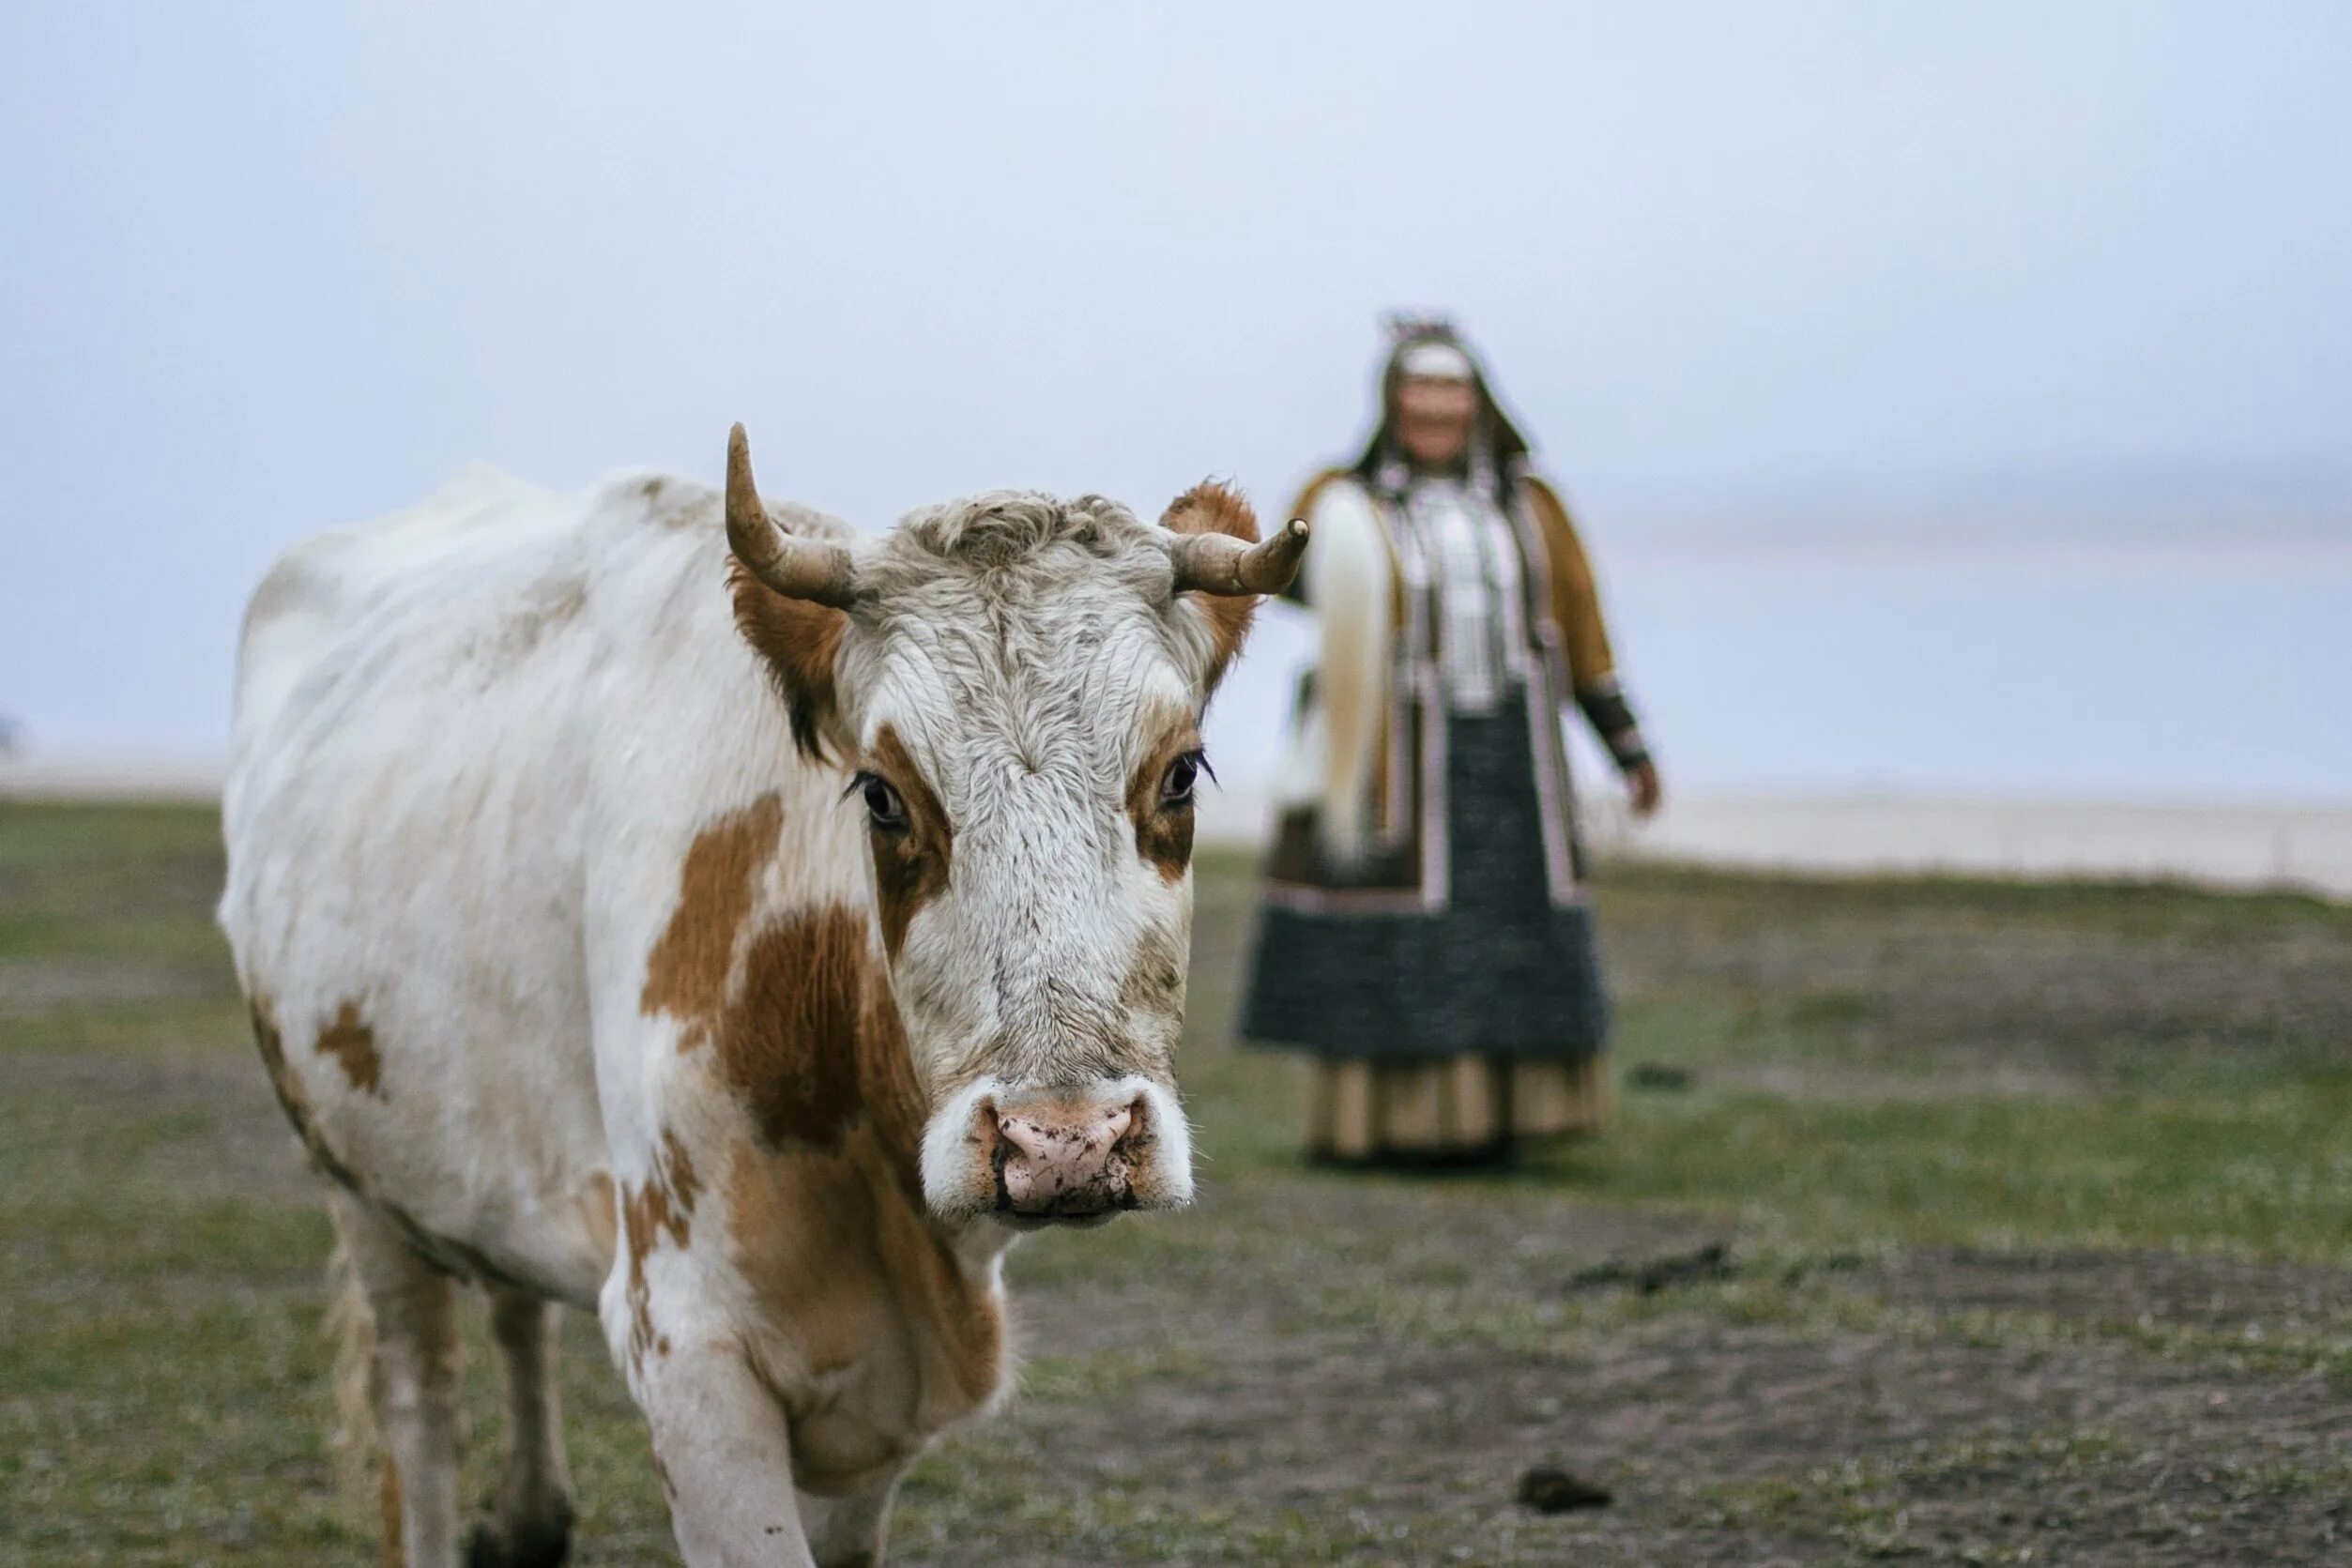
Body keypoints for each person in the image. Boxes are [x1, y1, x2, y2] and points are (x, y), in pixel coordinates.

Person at [1241, 318, 1661, 1164]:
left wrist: (1627, 747)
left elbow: (1581, 630)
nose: (1436, 406)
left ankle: (1503, 1121)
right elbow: (1288, 584)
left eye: (1452, 389)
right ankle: (1385, 1127)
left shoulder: (1531, 508)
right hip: (1391, 762)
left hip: (1511, 762)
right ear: (1392, 404)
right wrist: (1322, 535)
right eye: (1418, 389)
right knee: (1401, 940)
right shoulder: (1344, 501)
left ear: (1479, 402)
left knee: (1507, 935)